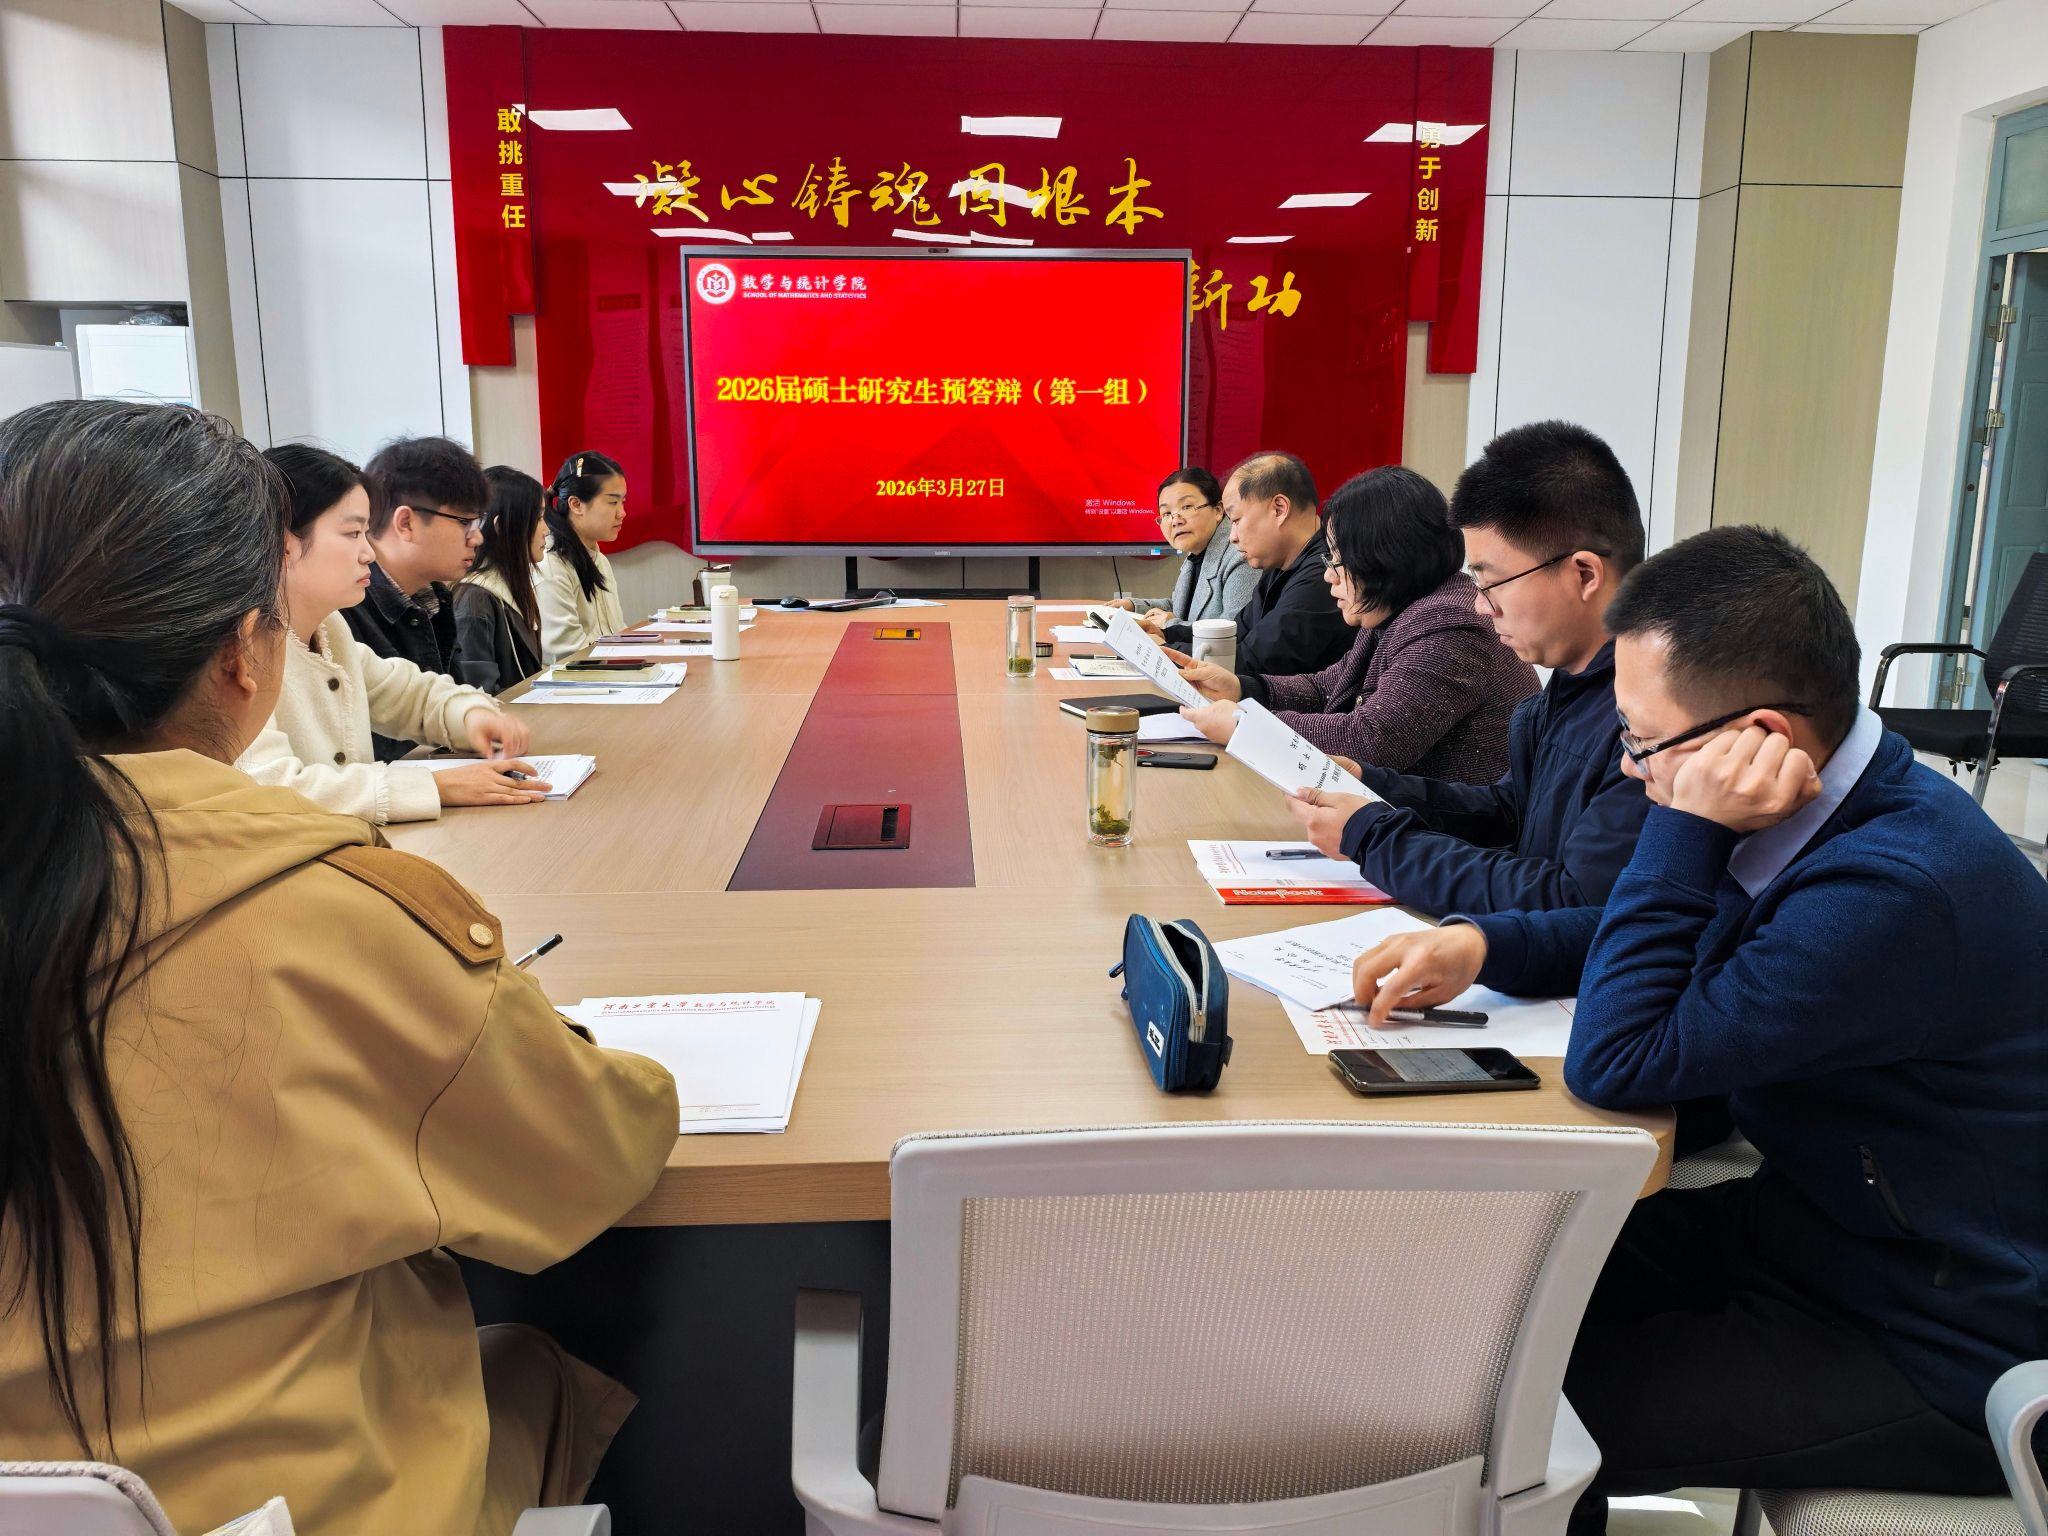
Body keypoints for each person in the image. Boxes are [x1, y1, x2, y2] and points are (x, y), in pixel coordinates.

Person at [0, 400, 679, 1536]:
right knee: (543, 1364)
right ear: (243, 650)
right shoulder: (327, 917)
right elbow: (596, 1159)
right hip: (297, 1507)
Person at [1344, 526, 2048, 1529]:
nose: (1630, 769)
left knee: (1503, 1415)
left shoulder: (1892, 889)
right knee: (1472, 1292)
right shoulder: (1837, 800)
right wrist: (1485, 944)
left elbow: (1619, 1060)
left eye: (1641, 741)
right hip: (1813, 1233)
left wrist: (1687, 827)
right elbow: (1681, 929)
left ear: (1754, 737)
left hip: (1933, 1333)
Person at [1286, 421, 1649, 916]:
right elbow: (1508, 813)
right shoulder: (1568, 688)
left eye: (1491, 582)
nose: (1481, 605)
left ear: (1583, 574)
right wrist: (1374, 783)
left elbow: (1571, 901)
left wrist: (1373, 838)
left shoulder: (1652, 720)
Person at [236, 444, 549, 822]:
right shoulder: (241, 652)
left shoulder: (330, 629)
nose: (368, 553)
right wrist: (436, 787)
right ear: (285, 545)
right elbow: (273, 788)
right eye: (353, 533)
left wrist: (469, 716)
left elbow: (409, 694)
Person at [1172, 466, 1537, 786]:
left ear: (1382, 558)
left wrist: (1246, 724)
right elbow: (1326, 687)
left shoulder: (1449, 627)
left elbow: (1370, 740)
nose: (1329, 576)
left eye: (1337, 560)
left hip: (1447, 834)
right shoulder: (1395, 607)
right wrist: (1241, 687)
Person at [350, 434, 493, 758]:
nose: (477, 537)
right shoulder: (345, 609)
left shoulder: (434, 599)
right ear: (406, 522)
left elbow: (445, 709)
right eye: (465, 521)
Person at [1153, 451, 1351, 677]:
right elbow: (1236, 633)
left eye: (1236, 520)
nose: (1232, 536)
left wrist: (1160, 651)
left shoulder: (1322, 575)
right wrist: (1165, 634)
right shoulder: (1278, 566)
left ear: (1279, 509)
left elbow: (1254, 660)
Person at [1120, 468, 1256, 627]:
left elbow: (1233, 629)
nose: (1175, 521)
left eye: (1187, 507)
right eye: (1166, 513)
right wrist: (1133, 607)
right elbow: (1183, 608)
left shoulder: (1241, 555)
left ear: (1218, 511)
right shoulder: (1196, 554)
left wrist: (1172, 625)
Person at [454, 466, 547, 695]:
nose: (546, 530)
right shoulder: (475, 599)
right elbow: (480, 694)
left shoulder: (512, 586)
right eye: (538, 519)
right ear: (501, 527)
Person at [536, 451, 628, 663]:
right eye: (613, 502)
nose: (622, 513)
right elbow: (568, 654)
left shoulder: (599, 560)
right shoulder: (551, 565)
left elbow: (616, 633)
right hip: (576, 679)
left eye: (623, 502)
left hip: (607, 673)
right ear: (576, 504)